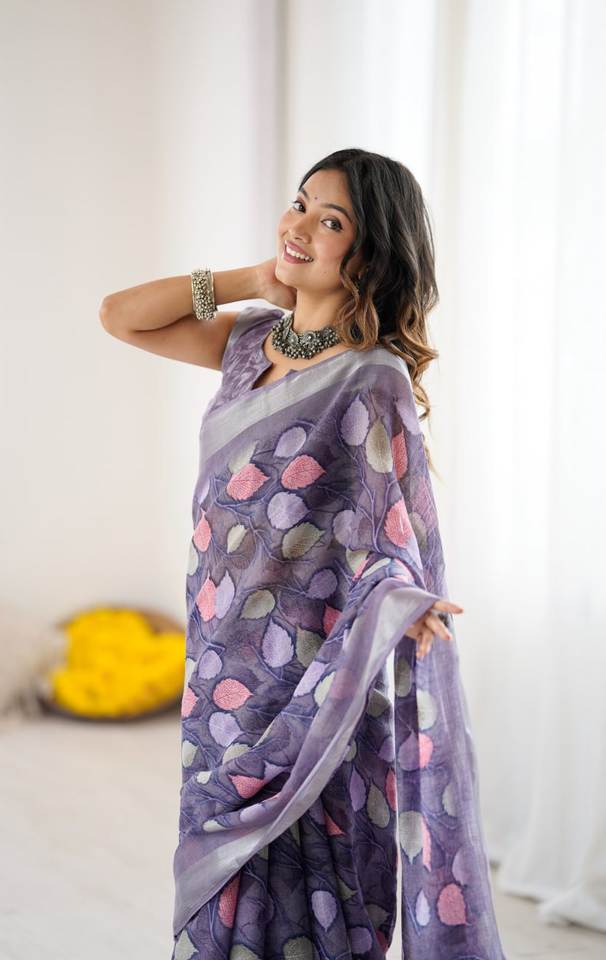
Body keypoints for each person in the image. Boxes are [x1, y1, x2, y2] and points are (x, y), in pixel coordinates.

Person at [101, 148, 507, 960]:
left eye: (332, 222)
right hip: (221, 655)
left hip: (309, 668)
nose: (301, 227)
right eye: (300, 204)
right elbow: (120, 315)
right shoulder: (249, 343)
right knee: (224, 843)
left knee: (304, 849)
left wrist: (405, 603)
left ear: (370, 255)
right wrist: (251, 278)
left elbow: (392, 528)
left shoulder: (372, 377)